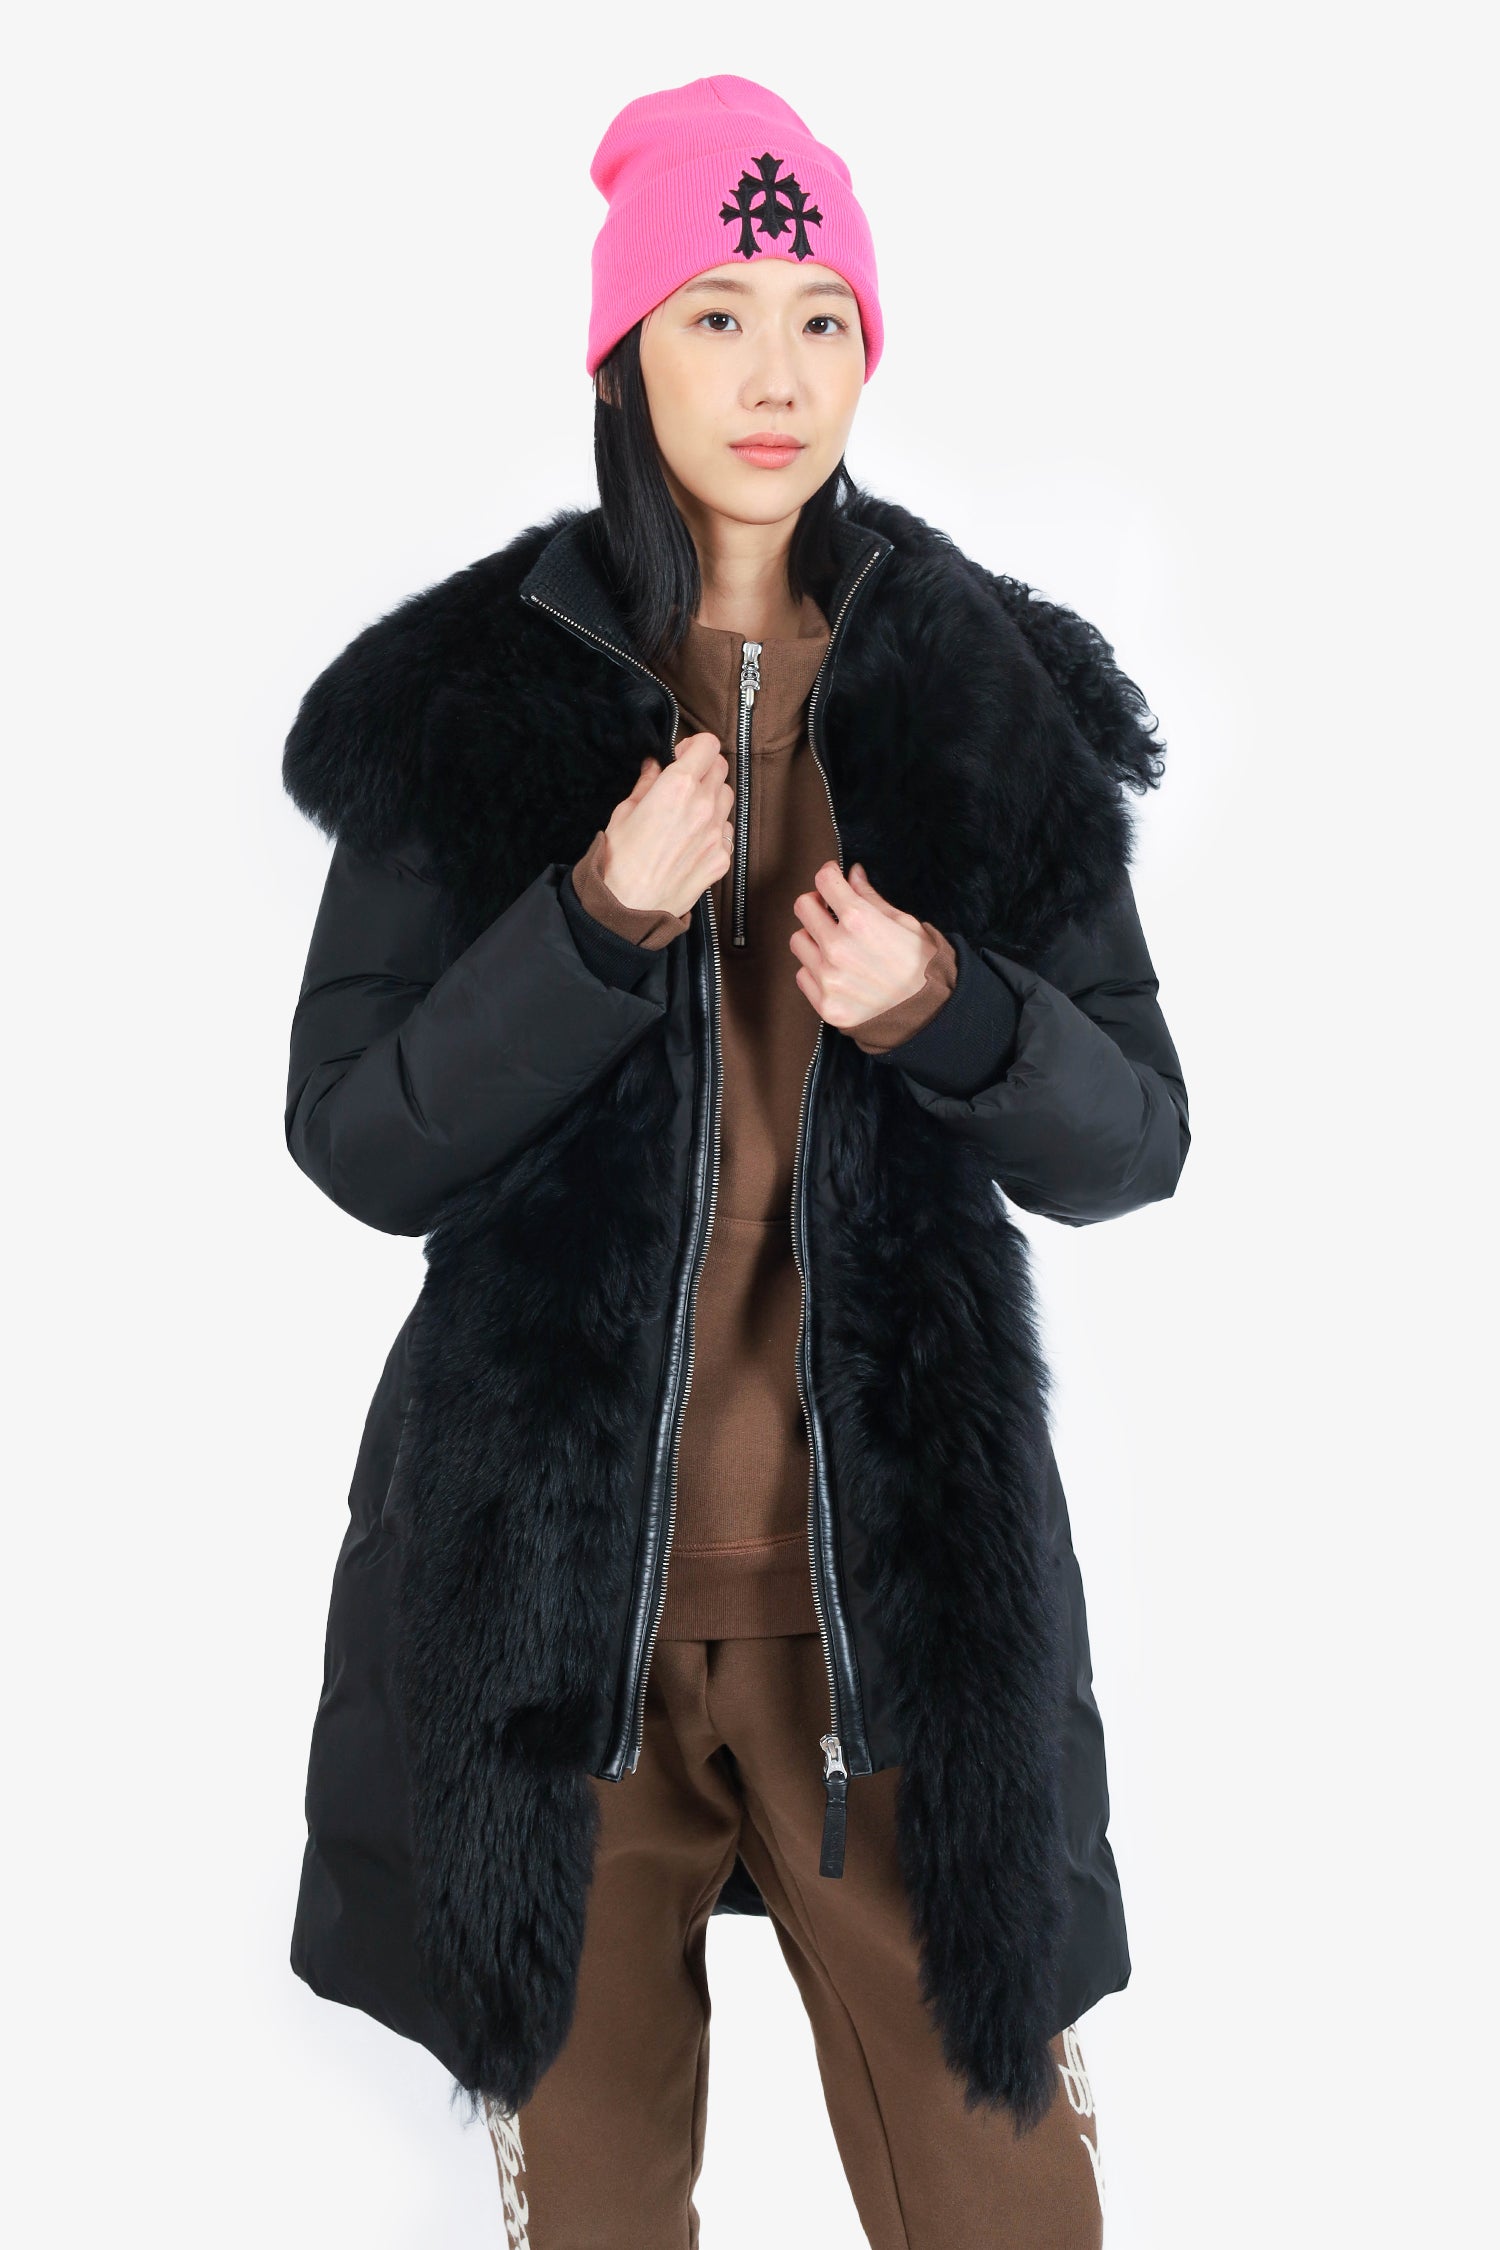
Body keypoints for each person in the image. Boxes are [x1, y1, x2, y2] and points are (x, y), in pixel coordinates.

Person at [279, 73, 1190, 2250]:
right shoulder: (472, 697)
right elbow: (360, 1140)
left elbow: (1133, 1138)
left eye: (819, 319)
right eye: (716, 314)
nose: (776, 375)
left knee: (1006, 2212)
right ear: (624, 350)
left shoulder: (982, 687)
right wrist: (592, 925)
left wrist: (944, 1003)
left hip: (893, 1622)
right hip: (545, 1635)